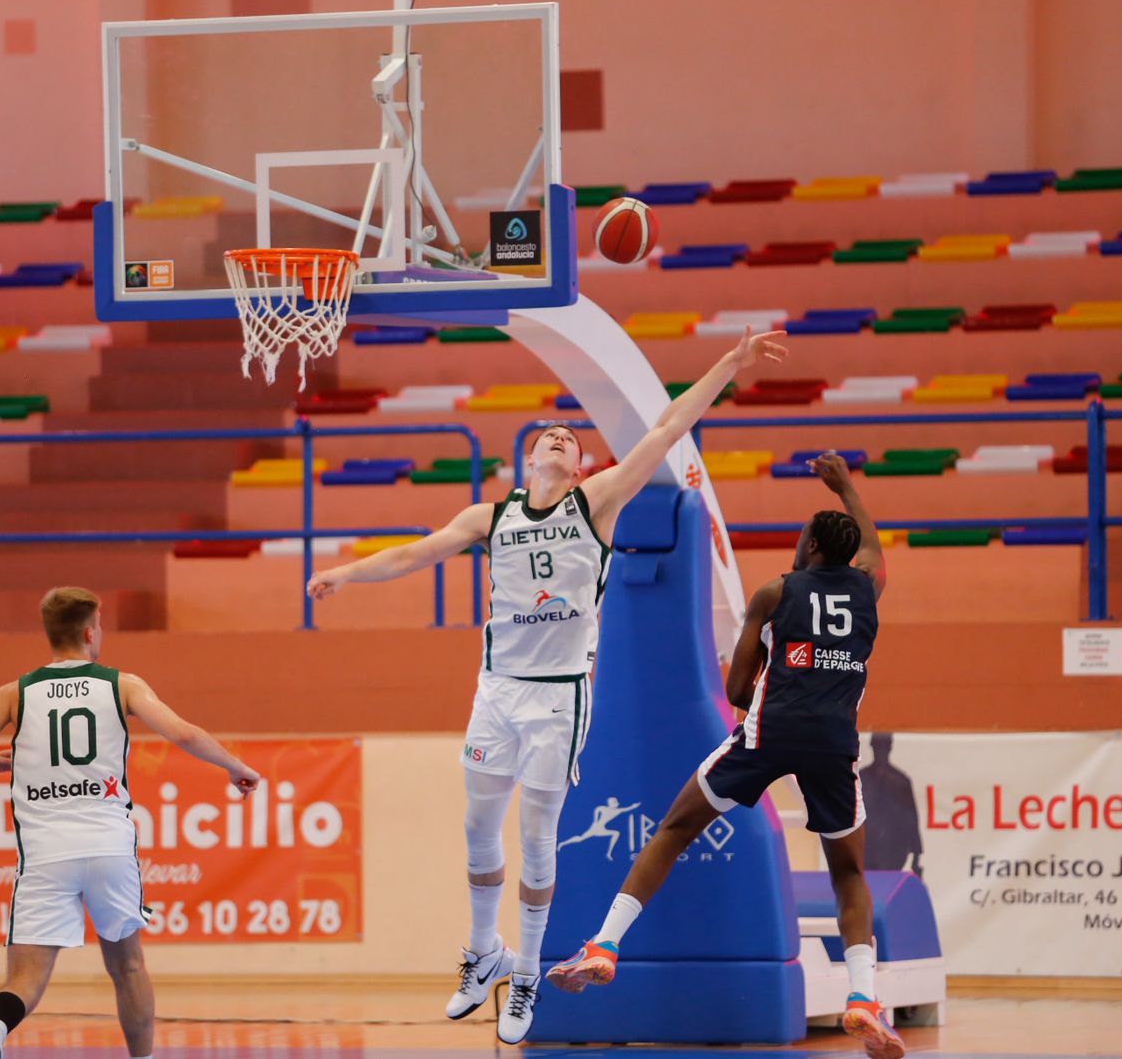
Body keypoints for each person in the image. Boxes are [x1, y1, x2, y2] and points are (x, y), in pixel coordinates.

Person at [307, 327, 789, 1044]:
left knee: (537, 842)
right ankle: (484, 954)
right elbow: (418, 551)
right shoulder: (490, 518)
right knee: (476, 830)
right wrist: (344, 573)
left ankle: (526, 970)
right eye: (551, 434)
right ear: (529, 459)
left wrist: (730, 363)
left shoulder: (594, 504)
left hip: (558, 696)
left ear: (578, 463)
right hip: (497, 690)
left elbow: (666, 427)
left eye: (571, 437)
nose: (562, 437)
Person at [545, 453, 905, 1059]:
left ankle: (604, 946)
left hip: (768, 734)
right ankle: (864, 999)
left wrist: (768, 672)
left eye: (800, 540)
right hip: (834, 744)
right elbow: (874, 547)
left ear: (812, 547)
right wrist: (846, 486)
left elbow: (738, 692)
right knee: (847, 872)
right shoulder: (869, 589)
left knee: (674, 828)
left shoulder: (775, 592)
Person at [0, 587, 262, 1059]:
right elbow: (183, 733)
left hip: (45, 851)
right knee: (127, 968)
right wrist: (233, 766)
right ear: (89, 631)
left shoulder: (12, 693)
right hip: (108, 845)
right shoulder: (121, 684)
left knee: (24, 976)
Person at [861, 733, 923, 878]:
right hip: (866, 849)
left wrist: (916, 854)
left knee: (889, 890)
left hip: (894, 850)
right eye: (877, 747)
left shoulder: (901, 781)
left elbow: (911, 817)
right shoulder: (861, 778)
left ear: (889, 748)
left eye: (883, 747)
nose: (880, 751)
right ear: (872, 747)